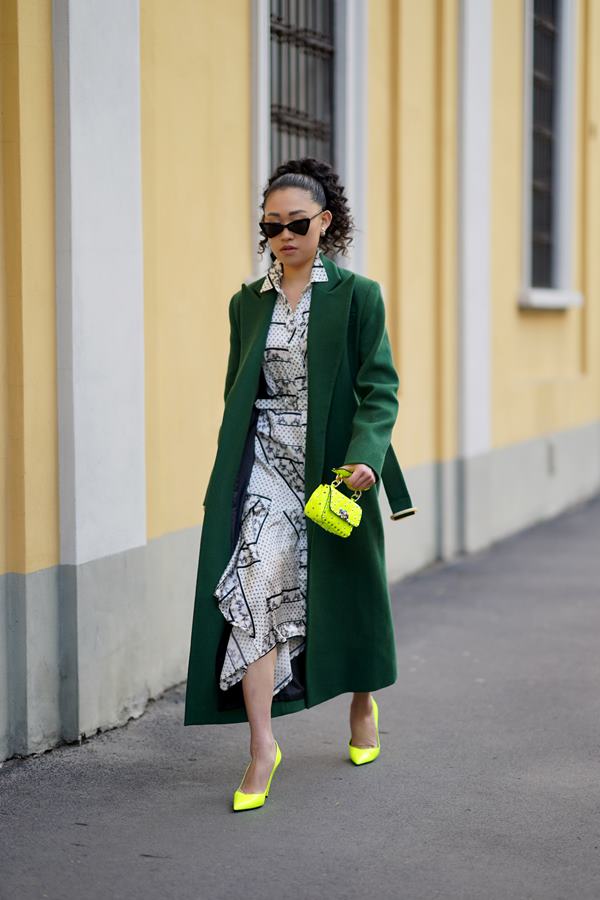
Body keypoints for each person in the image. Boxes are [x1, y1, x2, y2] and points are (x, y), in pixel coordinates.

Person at [184, 157, 417, 812]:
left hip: (334, 466)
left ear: (325, 223)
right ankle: (262, 747)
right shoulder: (247, 302)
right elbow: (239, 389)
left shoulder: (357, 295)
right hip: (263, 464)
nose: (283, 236)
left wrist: (366, 456)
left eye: (295, 224)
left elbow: (380, 388)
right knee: (254, 590)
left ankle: (362, 702)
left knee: (351, 591)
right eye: (271, 226)